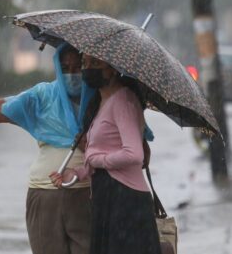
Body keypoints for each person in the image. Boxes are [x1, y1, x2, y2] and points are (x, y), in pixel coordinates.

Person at [0, 43, 95, 254]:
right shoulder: (43, 96)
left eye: (78, 67)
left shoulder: (101, 98)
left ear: (87, 67)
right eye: (65, 68)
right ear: (57, 67)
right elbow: (3, 108)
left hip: (87, 194)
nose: (72, 74)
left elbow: (128, 142)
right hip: (44, 194)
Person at [50, 54, 162, 254]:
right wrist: (76, 174)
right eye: (85, 63)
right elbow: (101, 152)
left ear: (113, 68)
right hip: (107, 198)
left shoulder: (123, 99)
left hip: (126, 199)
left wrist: (97, 160)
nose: (86, 68)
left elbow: (134, 154)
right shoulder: (100, 103)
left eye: (95, 63)